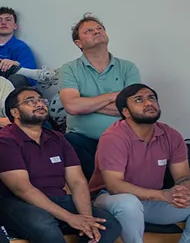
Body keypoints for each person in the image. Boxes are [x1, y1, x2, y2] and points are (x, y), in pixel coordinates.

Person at [0, 87, 119, 243]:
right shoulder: (4, 142)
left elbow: (77, 181)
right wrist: (71, 218)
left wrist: (85, 217)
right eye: (30, 101)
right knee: (43, 224)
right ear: (14, 112)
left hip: (56, 198)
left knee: (107, 222)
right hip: (14, 202)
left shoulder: (57, 138)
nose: (39, 104)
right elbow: (23, 189)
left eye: (41, 100)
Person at [90, 84, 190, 243]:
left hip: (150, 200)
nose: (148, 103)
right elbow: (114, 185)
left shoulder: (171, 135)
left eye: (151, 98)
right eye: (139, 100)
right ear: (125, 112)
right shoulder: (114, 137)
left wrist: (183, 191)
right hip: (108, 200)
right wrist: (163, 195)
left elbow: (184, 175)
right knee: (128, 202)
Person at [58, 14, 142, 175]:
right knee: (69, 143)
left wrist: (85, 104)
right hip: (82, 139)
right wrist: (112, 96)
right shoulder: (69, 69)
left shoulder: (128, 68)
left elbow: (134, 108)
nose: (96, 32)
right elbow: (72, 106)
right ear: (79, 43)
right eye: (88, 31)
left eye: (99, 28)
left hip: (122, 138)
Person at [0, 6, 39, 79]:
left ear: (15, 26)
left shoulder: (21, 48)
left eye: (8, 20)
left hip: (10, 83)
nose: (3, 23)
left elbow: (31, 79)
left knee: (17, 78)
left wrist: (15, 64)